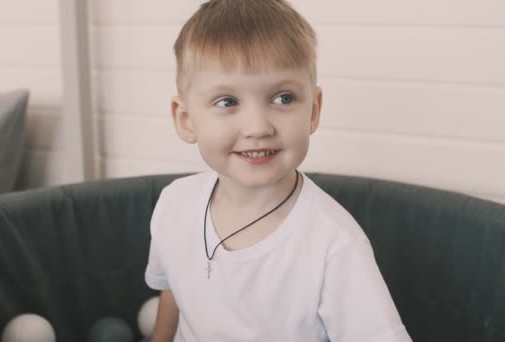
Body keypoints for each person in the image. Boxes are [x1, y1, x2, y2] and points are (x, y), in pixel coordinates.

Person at [144, 0, 412, 341]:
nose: (258, 127)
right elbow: (174, 292)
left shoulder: (334, 244)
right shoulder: (174, 205)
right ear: (185, 120)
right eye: (228, 102)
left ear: (313, 111)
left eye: (283, 98)